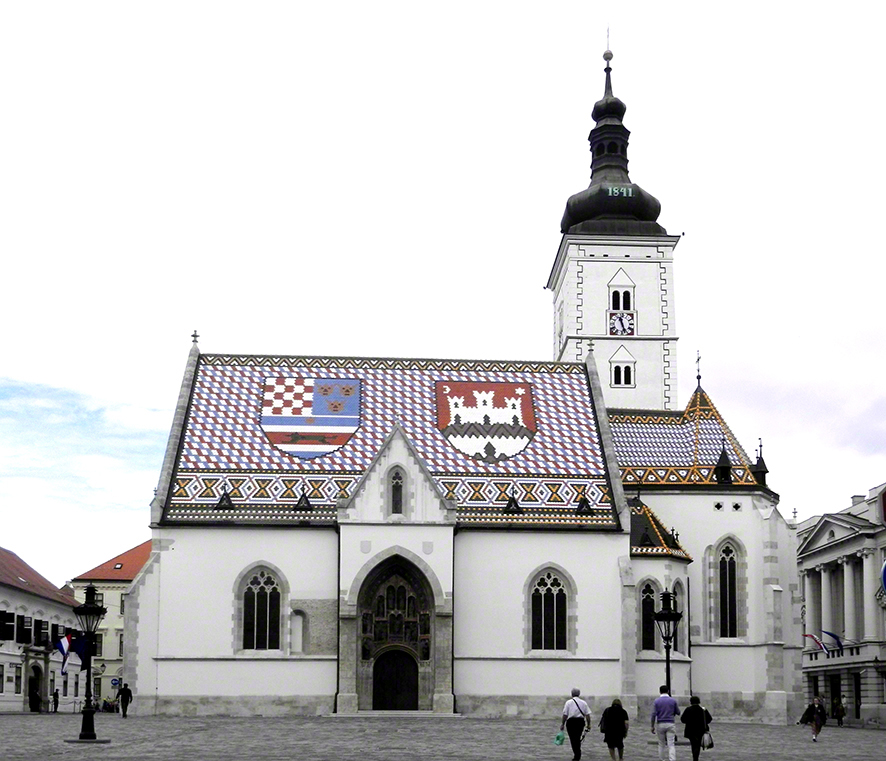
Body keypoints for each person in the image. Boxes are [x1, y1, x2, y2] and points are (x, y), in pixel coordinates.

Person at [560, 687, 592, 761]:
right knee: (577, 738)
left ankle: (577, 754)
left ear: (572, 694)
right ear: (579, 694)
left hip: (571, 722)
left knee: (573, 738)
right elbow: (587, 715)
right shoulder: (583, 703)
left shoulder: (568, 702)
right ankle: (577, 753)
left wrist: (562, 724)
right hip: (580, 722)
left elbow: (565, 714)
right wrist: (589, 724)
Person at [651, 684, 680, 761]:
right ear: (668, 691)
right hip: (670, 723)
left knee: (661, 744)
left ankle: (662, 759)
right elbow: (678, 712)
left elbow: (653, 714)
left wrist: (652, 725)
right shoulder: (673, 701)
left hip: (660, 723)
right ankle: (672, 759)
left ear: (660, 691)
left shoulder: (656, 701)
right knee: (671, 744)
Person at [680, 695, 712, 761]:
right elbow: (709, 719)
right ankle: (696, 757)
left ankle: (695, 757)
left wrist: (689, 722)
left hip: (690, 730)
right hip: (701, 729)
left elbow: (683, 719)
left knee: (693, 744)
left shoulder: (688, 709)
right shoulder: (703, 710)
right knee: (697, 744)